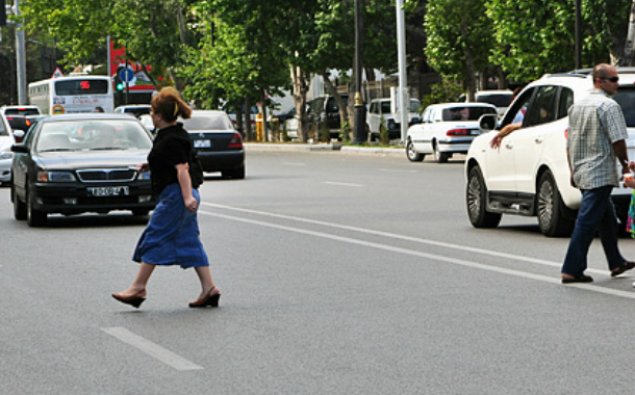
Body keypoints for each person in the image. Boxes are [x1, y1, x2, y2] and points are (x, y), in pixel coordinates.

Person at [112, 87, 221, 308]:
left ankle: (138, 287)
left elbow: (182, 169)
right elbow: (173, 163)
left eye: (153, 112)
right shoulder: (174, 135)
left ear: (159, 116)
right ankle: (209, 288)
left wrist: (187, 197)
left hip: (176, 196)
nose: (151, 115)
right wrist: (149, 165)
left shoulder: (170, 140)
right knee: (189, 240)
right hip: (178, 194)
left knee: (155, 235)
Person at [561, 63, 635, 284]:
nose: (617, 85)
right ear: (599, 81)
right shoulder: (608, 106)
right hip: (600, 171)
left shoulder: (578, 106)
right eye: (613, 80)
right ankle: (571, 269)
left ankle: (616, 261)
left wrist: (572, 170)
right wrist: (624, 164)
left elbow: (570, 142)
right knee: (587, 220)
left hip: (583, 170)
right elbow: (618, 140)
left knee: (607, 217)